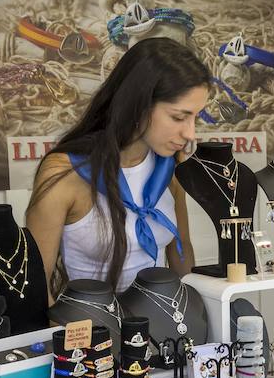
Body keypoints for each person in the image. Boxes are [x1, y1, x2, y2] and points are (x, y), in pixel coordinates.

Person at [26, 38, 203, 295]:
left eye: (196, 117)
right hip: (89, 327)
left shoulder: (169, 165)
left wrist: (191, 314)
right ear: (139, 104)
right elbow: (37, 286)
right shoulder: (65, 173)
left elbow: (181, 248)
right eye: (179, 117)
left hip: (160, 324)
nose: (190, 134)